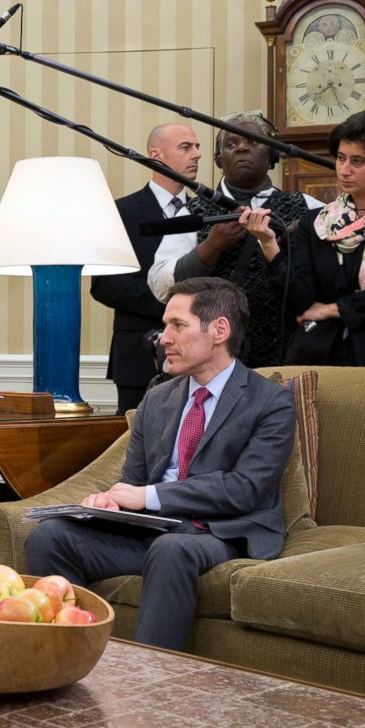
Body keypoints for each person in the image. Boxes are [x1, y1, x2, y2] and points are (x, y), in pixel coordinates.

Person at [26, 277, 294, 651]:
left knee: (172, 548)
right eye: (165, 326)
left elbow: (245, 489)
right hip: (154, 531)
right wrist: (111, 503)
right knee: (50, 536)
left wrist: (148, 496)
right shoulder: (158, 398)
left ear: (219, 330)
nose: (163, 338)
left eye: (177, 326)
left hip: (222, 532)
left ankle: (146, 679)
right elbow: (132, 482)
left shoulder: (270, 402)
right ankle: (72, 657)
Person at [244, 110, 365, 367]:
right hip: (320, 355)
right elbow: (300, 301)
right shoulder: (316, 221)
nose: (344, 170)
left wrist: (332, 309)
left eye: (358, 161)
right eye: (340, 158)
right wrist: (269, 245)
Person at [148, 110, 324, 367]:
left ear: (272, 155)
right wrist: (211, 246)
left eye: (252, 142)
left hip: (289, 353)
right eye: (232, 144)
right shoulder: (193, 212)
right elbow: (160, 284)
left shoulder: (307, 207)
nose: (242, 148)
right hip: (213, 356)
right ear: (219, 160)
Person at [90, 123, 202, 413]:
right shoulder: (121, 211)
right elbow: (105, 285)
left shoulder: (204, 212)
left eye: (197, 147)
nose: (197, 155)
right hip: (138, 357)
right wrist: (173, 308)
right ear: (156, 155)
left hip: (199, 356)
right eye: (186, 147)